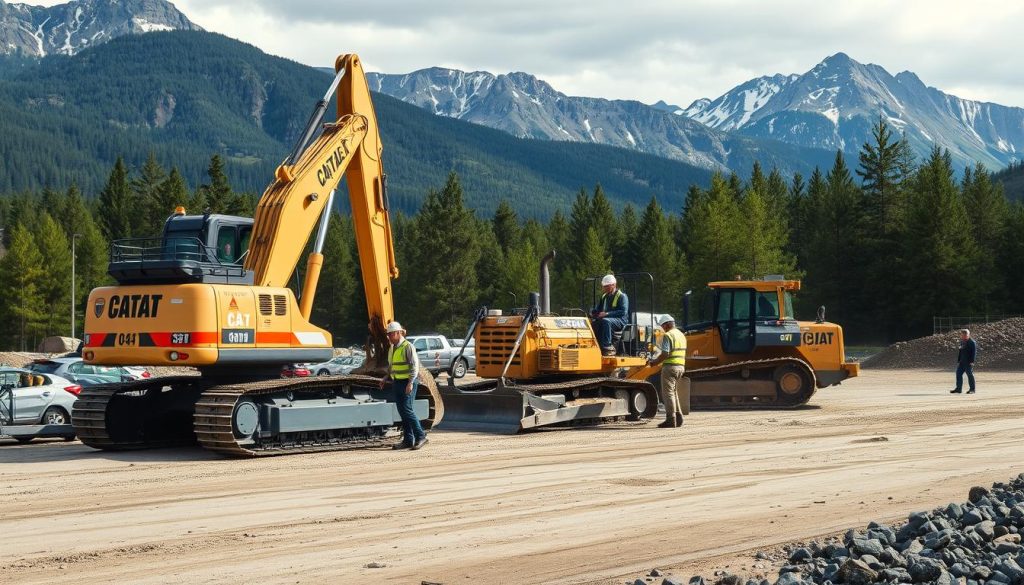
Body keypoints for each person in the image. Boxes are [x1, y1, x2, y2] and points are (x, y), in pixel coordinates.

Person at [381, 321, 428, 449]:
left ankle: (421, 436)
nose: (389, 337)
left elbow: (414, 366)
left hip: (408, 382)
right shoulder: (392, 348)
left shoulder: (408, 346)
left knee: (407, 410)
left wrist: (411, 382)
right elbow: (392, 366)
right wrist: (386, 377)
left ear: (398, 333)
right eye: (388, 334)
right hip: (397, 382)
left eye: (390, 334)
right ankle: (408, 440)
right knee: (402, 412)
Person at [647, 315, 687, 428]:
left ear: (668, 324)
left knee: (668, 393)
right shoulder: (681, 335)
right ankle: (679, 418)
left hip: (670, 367)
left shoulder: (668, 335)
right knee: (674, 392)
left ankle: (671, 419)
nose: (663, 328)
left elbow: (665, 353)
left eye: (663, 326)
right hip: (680, 366)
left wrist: (654, 362)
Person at [591, 274, 629, 356]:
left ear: (613, 285)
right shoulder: (604, 296)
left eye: (607, 286)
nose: (604, 288)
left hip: (620, 321)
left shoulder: (622, 296)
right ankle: (595, 344)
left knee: (605, 321)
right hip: (608, 319)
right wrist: (593, 313)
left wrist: (607, 314)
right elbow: (598, 309)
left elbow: (623, 312)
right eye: (604, 286)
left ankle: (607, 346)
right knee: (594, 323)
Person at [950, 328, 977, 394]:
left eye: (965, 335)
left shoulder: (972, 342)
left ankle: (972, 389)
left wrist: (972, 361)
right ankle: (958, 389)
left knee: (969, 375)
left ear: (968, 335)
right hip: (962, 362)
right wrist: (959, 360)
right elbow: (960, 351)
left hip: (968, 362)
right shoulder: (962, 341)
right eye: (962, 335)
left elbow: (974, 352)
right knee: (958, 374)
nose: (963, 336)